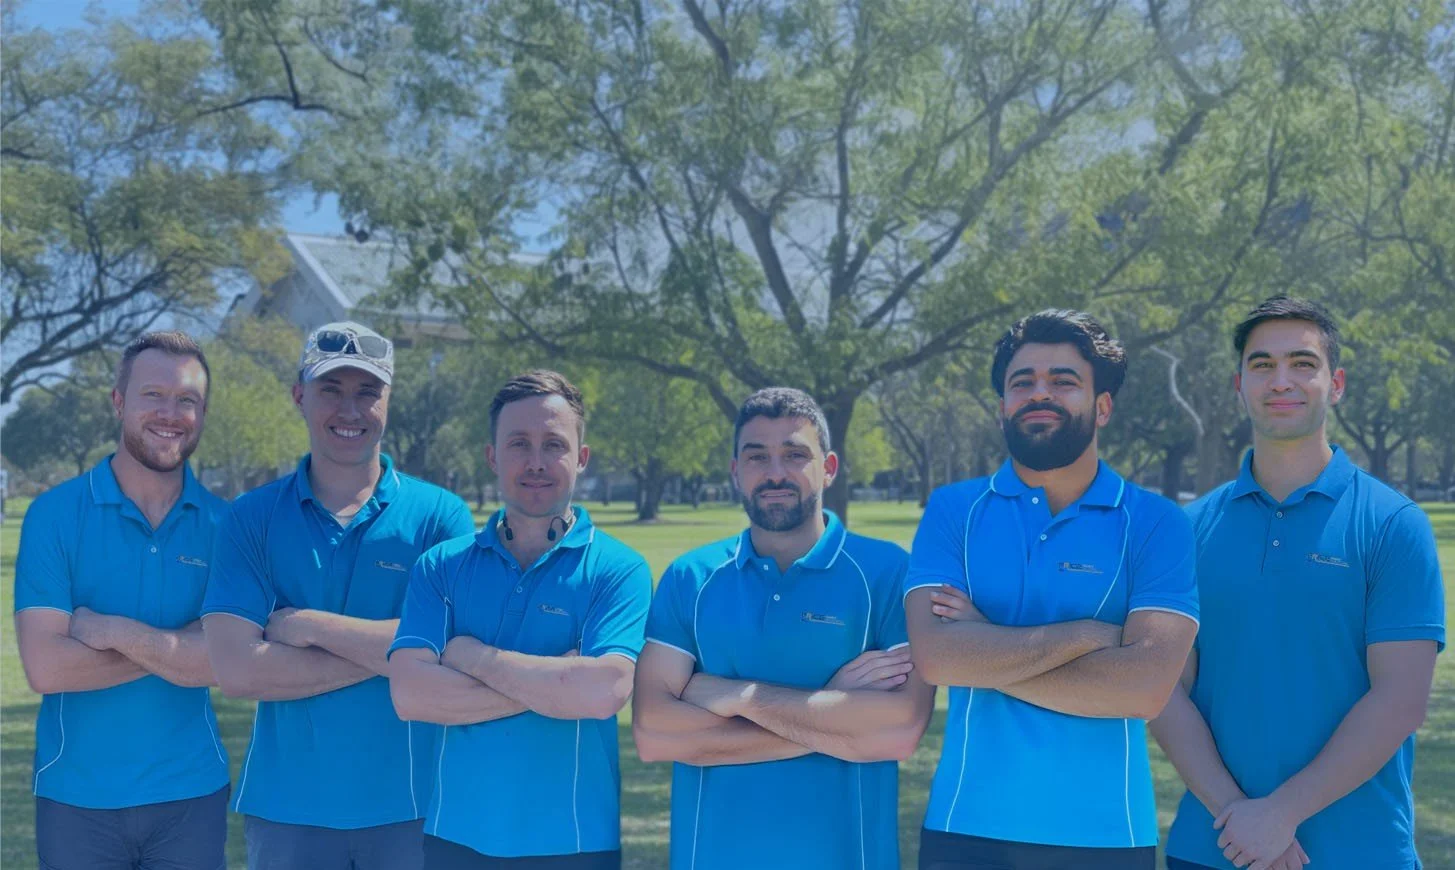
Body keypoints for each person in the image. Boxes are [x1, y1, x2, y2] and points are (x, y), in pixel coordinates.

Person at [1153, 296, 1444, 870]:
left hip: (1360, 853)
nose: (1280, 380)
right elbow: (1164, 691)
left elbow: (1400, 701)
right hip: (1214, 848)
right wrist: (1242, 816)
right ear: (1240, 385)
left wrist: (1281, 813)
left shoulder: (1392, 524)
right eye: (1262, 365)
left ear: (1334, 384)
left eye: (1302, 363)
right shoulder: (1183, 532)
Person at [905, 309, 1199, 869]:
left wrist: (986, 645)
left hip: (1106, 833)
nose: (1041, 393)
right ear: (1002, 407)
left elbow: (1143, 691)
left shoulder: (1157, 523)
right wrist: (1088, 635)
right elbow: (938, 657)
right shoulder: (953, 511)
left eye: (1063, 381)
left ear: (1103, 406)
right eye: (1023, 382)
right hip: (964, 825)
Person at [202, 321, 476, 870]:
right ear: (300, 396)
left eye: (367, 392)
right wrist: (400, 654)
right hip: (288, 812)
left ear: (388, 402)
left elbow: (455, 654)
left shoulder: (441, 517)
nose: (349, 410)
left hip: (419, 804)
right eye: (331, 389)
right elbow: (237, 671)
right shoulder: (250, 517)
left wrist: (307, 626)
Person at [632, 387, 934, 870]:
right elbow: (653, 734)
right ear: (735, 471)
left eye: (795, 455)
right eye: (757, 457)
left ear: (828, 467)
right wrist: (834, 709)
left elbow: (899, 730)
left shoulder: (887, 573)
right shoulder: (692, 578)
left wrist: (743, 699)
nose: (775, 473)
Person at [387, 370, 652, 869]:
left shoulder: (619, 569)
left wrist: (468, 656)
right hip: (454, 838)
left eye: (554, 444)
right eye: (518, 444)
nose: (536, 462)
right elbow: (410, 695)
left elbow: (601, 693)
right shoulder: (441, 566)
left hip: (575, 843)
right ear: (492, 456)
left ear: (582, 457)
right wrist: (556, 682)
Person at [15, 331, 229, 869]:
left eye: (187, 400)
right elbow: (46, 667)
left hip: (192, 795)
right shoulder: (55, 515)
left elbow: (230, 659)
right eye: (152, 394)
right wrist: (182, 649)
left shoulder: (229, 527)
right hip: (76, 798)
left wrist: (112, 632)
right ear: (119, 401)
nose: (170, 413)